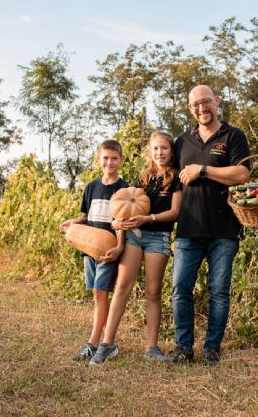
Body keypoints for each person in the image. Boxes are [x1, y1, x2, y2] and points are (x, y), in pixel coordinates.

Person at [169, 84, 250, 365]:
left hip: (224, 230)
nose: (201, 108)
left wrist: (202, 170)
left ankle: (212, 348)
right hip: (188, 230)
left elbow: (241, 174)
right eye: (195, 105)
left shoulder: (233, 136)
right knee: (180, 288)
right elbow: (168, 176)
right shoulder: (182, 141)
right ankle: (183, 347)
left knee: (219, 291)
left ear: (216, 101)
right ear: (190, 109)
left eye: (206, 102)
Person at [90, 131, 182, 364]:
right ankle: (107, 345)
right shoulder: (144, 177)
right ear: (150, 151)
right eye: (155, 148)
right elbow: (125, 207)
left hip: (158, 237)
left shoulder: (176, 178)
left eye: (164, 148)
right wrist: (118, 227)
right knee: (122, 287)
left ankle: (152, 348)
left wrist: (148, 218)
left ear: (171, 151)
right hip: (134, 235)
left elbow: (175, 212)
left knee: (153, 292)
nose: (160, 153)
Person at [59, 139, 128, 362]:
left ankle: (93, 343)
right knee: (97, 295)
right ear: (98, 159)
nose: (109, 162)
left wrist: (119, 246)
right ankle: (109, 342)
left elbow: (122, 220)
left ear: (121, 160)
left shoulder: (123, 188)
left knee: (100, 293)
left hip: (108, 249)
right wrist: (73, 222)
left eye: (114, 158)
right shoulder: (91, 187)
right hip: (89, 248)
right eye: (105, 158)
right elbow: (86, 217)